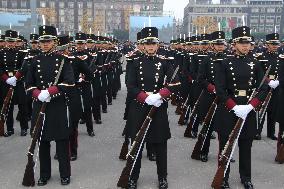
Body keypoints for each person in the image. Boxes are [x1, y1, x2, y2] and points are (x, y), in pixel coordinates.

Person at [125, 27, 180, 189]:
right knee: (137, 143)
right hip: (139, 106)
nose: (150, 46)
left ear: (157, 45)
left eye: (153, 43)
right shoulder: (135, 62)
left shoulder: (164, 62)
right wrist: (146, 97)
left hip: (158, 106)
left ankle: (162, 177)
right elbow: (130, 85)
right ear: (142, 44)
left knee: (161, 144)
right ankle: (133, 177)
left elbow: (175, 82)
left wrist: (160, 95)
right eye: (147, 43)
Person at [213, 26, 268, 189]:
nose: (246, 46)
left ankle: (246, 177)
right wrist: (234, 106)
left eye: (248, 43)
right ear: (234, 44)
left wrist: (251, 105)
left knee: (246, 147)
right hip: (229, 110)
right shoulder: (224, 63)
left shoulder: (256, 63)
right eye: (242, 42)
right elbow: (220, 89)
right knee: (225, 146)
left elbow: (263, 88)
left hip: (248, 110)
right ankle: (223, 177)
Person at [26, 25, 75, 186]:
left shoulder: (63, 60)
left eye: (48, 41)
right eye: (42, 41)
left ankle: (65, 174)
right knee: (43, 142)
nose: (45, 44)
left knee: (61, 142)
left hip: (57, 105)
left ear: (54, 42)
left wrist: (51, 91)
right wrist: (38, 94)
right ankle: (44, 174)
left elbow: (69, 82)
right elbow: (28, 84)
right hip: (40, 105)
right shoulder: (34, 61)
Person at [0, 30, 28, 136]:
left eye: (12, 41)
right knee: (8, 107)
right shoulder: (1, 53)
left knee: (22, 106)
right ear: (6, 41)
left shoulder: (21, 53)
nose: (11, 43)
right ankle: (10, 129)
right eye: (9, 41)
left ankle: (24, 127)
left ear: (16, 41)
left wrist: (16, 78)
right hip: (6, 82)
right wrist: (6, 79)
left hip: (18, 82)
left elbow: (24, 68)